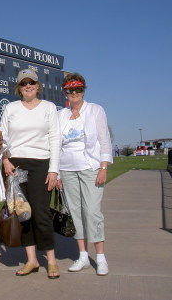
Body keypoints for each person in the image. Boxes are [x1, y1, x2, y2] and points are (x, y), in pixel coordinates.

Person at [0, 69, 61, 279]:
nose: (28, 86)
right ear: (19, 87)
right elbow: (2, 137)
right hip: (15, 165)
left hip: (41, 164)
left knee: (42, 214)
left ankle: (51, 261)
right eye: (24, 83)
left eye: (31, 82)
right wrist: (5, 160)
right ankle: (31, 260)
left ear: (37, 85)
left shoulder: (49, 108)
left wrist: (54, 170)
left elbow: (55, 139)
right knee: (23, 214)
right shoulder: (10, 108)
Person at [56, 72, 113, 276]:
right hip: (67, 169)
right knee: (76, 212)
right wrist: (56, 173)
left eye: (78, 89)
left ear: (83, 90)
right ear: (65, 92)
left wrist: (103, 167)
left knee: (92, 211)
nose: (74, 93)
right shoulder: (61, 115)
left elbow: (105, 140)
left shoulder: (95, 110)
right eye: (70, 90)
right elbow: (55, 145)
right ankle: (82, 256)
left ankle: (100, 258)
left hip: (90, 167)